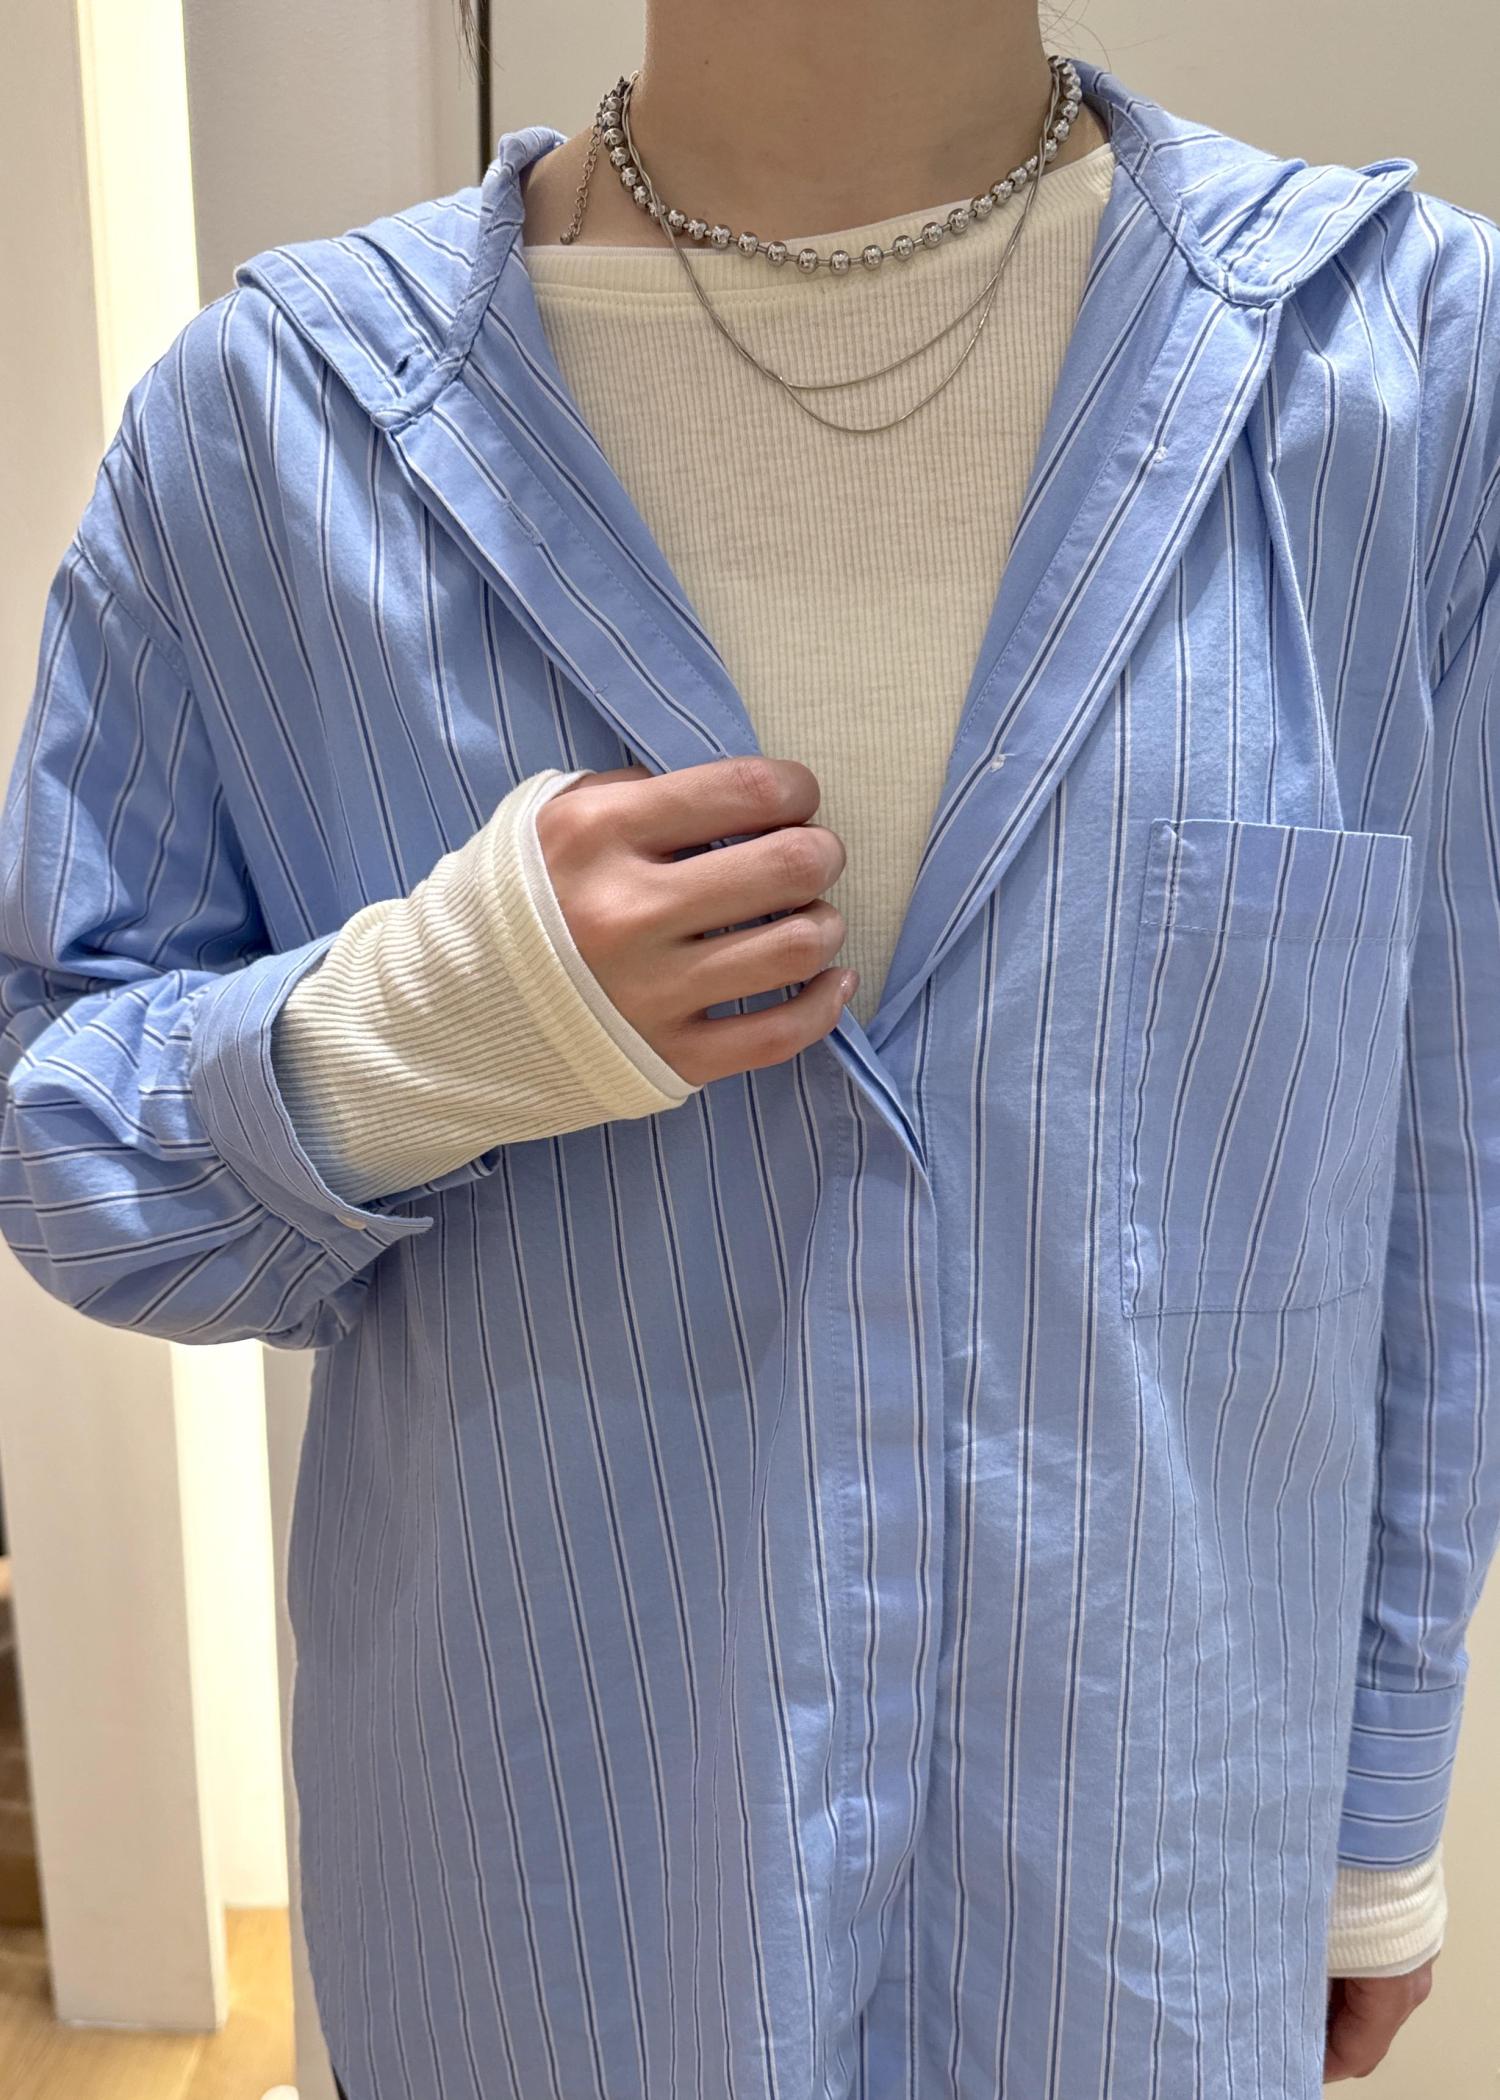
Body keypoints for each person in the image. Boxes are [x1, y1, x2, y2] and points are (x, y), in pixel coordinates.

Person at [2, 1, 1496, 2092]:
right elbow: (71, 1154)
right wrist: (429, 1028)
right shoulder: (266, 431)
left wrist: (1375, 1809)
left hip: (1141, 1894)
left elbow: (1448, 1170)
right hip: (547, 1899)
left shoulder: (1407, 374)